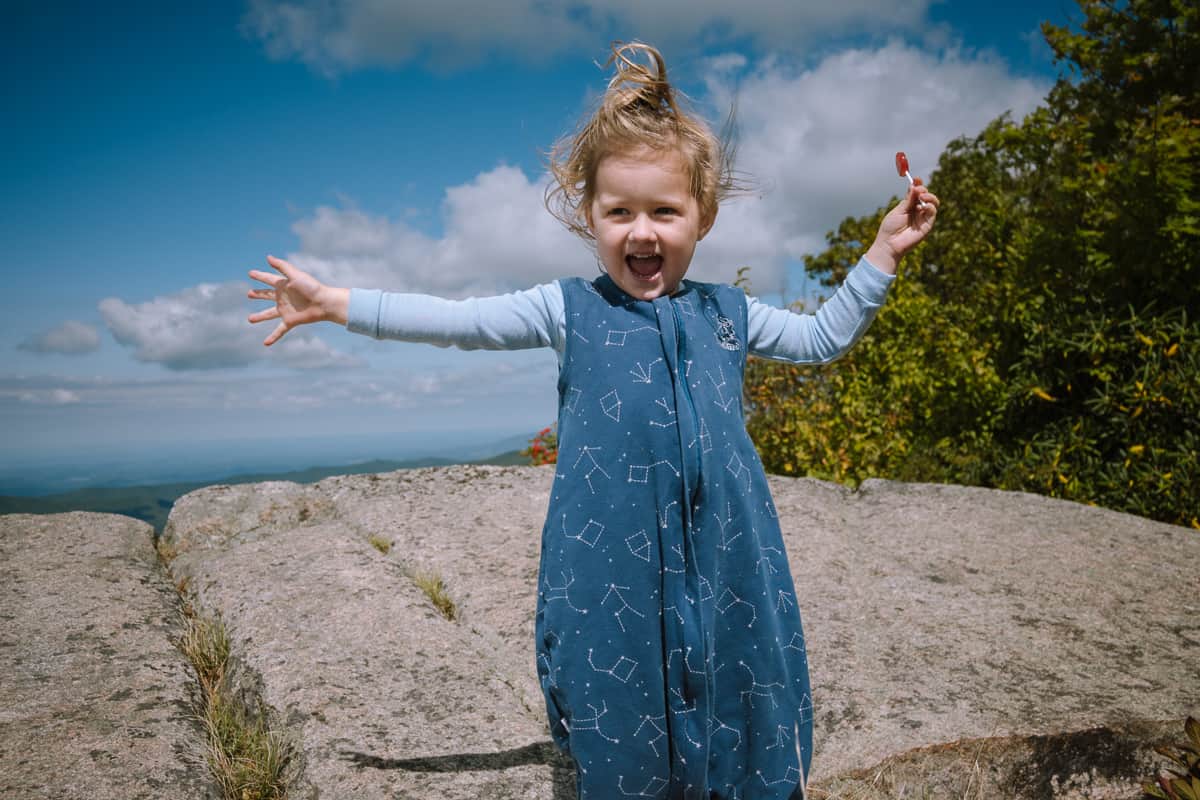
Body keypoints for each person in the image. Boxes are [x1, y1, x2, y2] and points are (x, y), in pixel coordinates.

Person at [247, 41, 938, 800]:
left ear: (701, 218)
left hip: (730, 558)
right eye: (620, 212)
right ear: (590, 217)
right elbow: (457, 320)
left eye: (665, 212)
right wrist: (336, 303)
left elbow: (821, 337)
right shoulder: (568, 309)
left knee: (742, 689)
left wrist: (880, 253)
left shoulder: (728, 313)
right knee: (620, 707)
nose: (642, 232)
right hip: (613, 566)